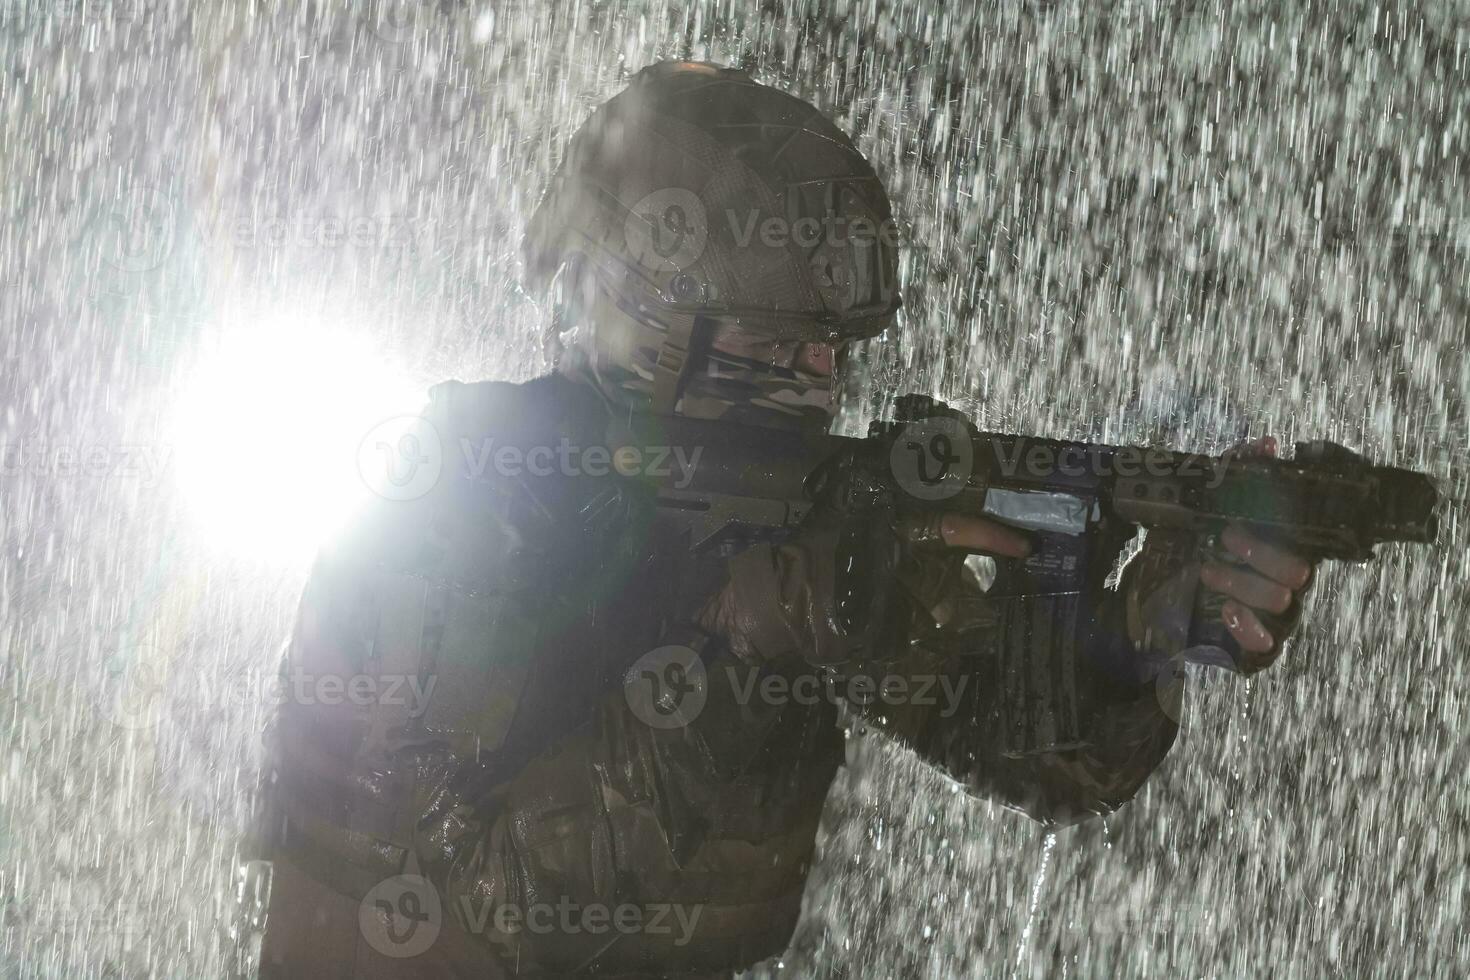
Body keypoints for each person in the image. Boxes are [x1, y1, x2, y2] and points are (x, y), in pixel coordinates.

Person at [256, 61, 1314, 978]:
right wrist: (744, 643)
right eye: (782, 344)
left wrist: (1125, 627)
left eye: (833, 345)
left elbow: (1038, 753)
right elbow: (489, 906)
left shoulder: (806, 514)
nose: (825, 372)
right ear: (657, 317)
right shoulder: (454, 507)